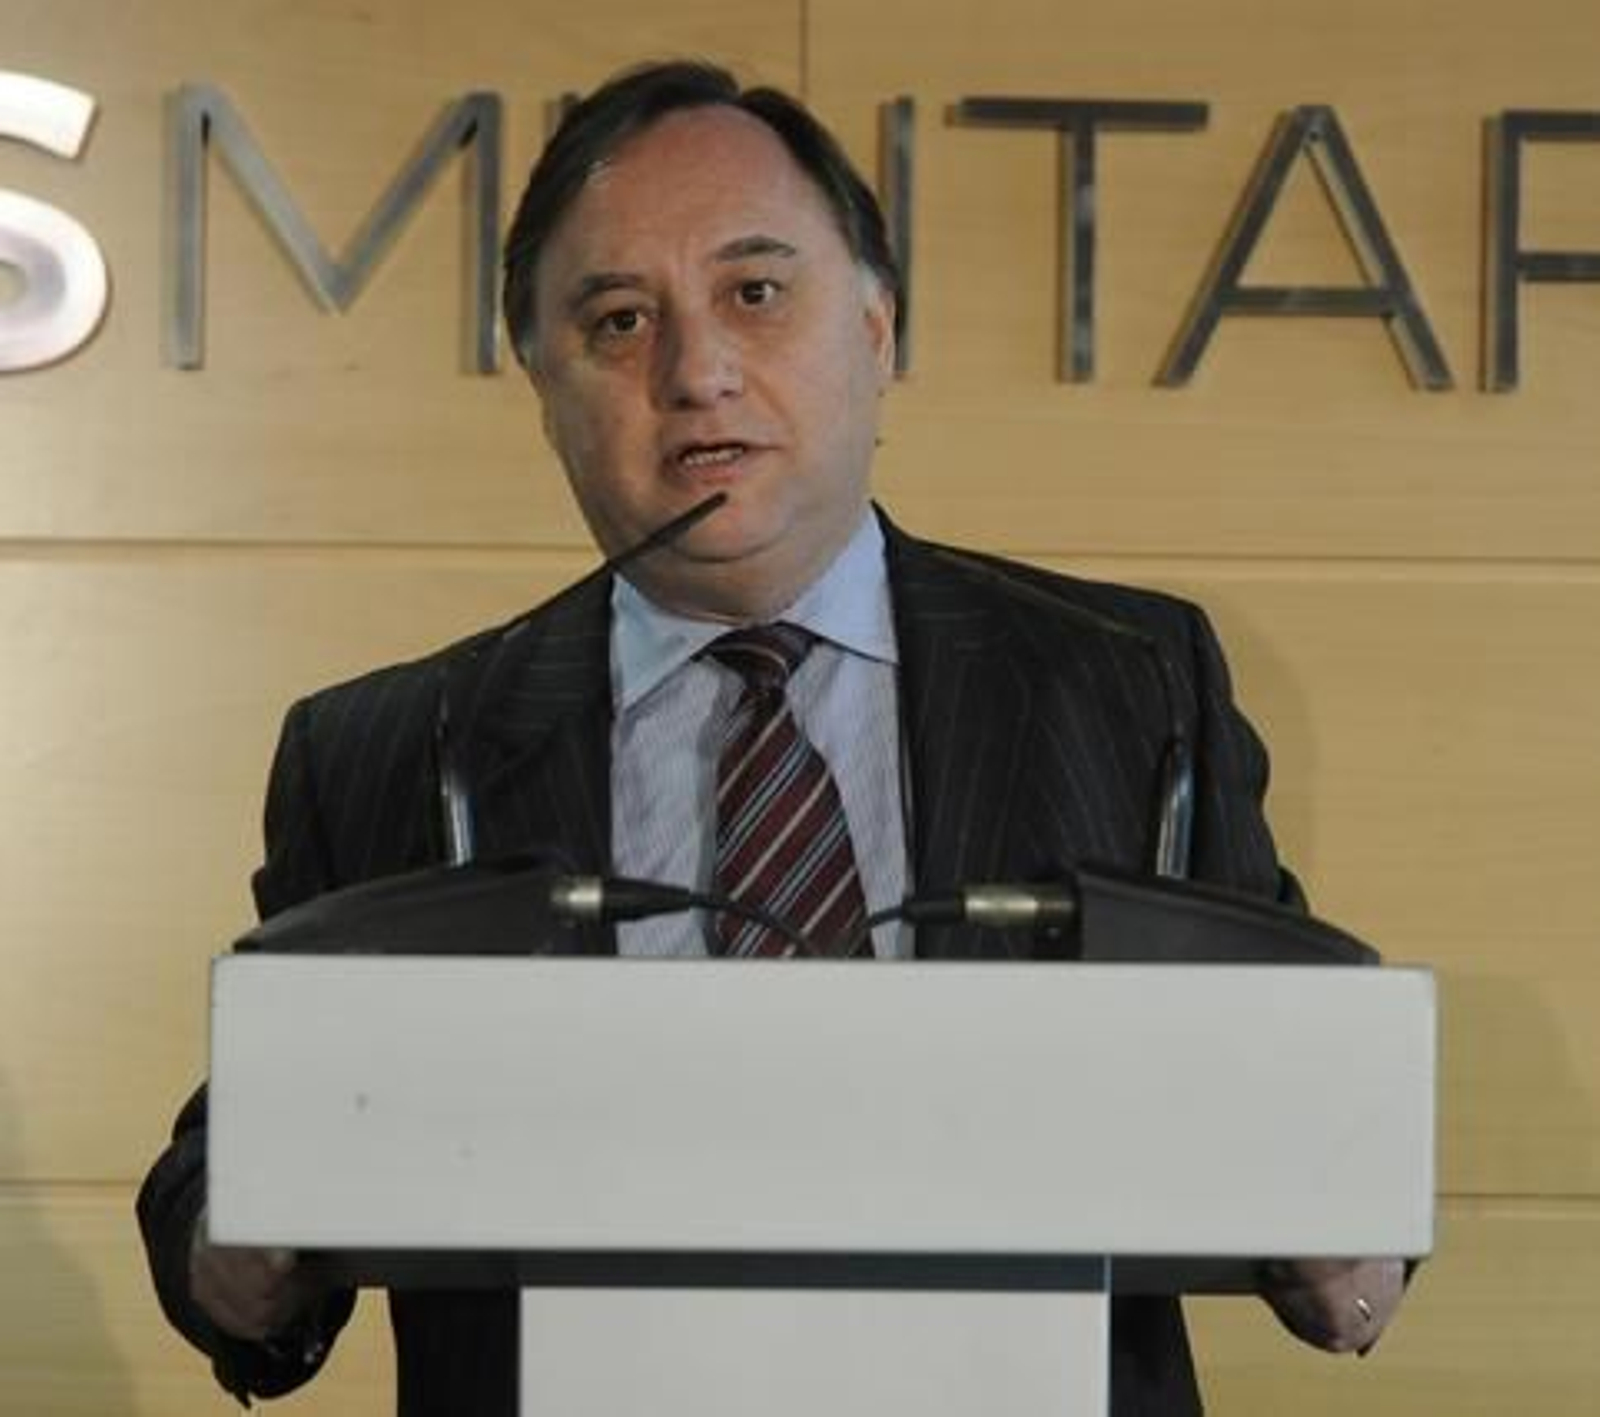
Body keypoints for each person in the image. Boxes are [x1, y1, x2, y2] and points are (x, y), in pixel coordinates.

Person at [138, 59, 1407, 1416]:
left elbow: (1305, 1075)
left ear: (875, 327)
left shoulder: (1129, 683)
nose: (698, 373)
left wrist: (1352, 1239)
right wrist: (238, 1253)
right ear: (544, 388)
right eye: (620, 321)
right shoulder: (390, 747)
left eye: (755, 293)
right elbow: (230, 1167)